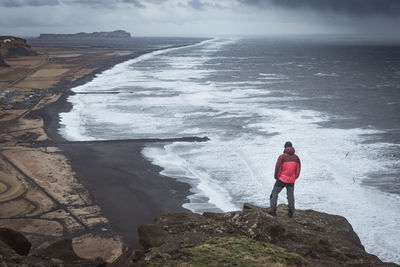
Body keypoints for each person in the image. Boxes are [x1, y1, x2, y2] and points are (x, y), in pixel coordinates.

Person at [268, 141, 301, 218]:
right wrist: (294, 177)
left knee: (274, 194)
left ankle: (273, 211)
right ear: (292, 147)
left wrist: (277, 177)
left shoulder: (282, 157)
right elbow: (298, 170)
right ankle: (291, 212)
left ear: (285, 148)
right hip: (291, 180)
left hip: (281, 179)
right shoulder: (296, 158)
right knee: (290, 196)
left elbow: (277, 168)